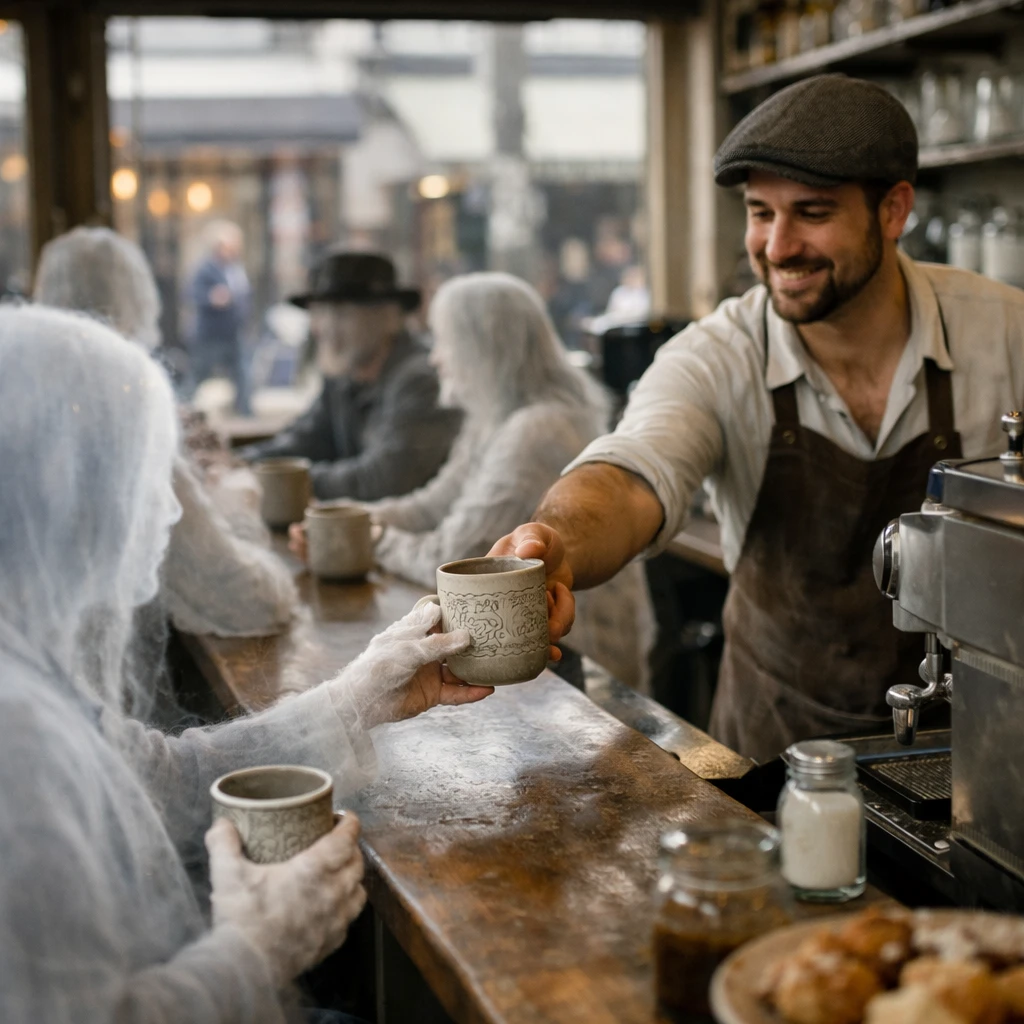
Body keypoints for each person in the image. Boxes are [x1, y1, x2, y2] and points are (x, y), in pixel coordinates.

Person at [490, 74, 1024, 762]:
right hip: (780, 754)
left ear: (893, 212)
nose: (776, 247)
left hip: (976, 749)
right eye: (760, 212)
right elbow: (630, 473)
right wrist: (554, 542)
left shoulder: (1003, 332)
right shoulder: (721, 353)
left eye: (812, 211)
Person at [0, 304, 492, 1022]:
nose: (168, 517)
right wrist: (257, 953)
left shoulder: (29, 662)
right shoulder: (16, 731)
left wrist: (354, 699)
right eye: (144, 483)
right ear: (67, 498)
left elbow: (165, 779)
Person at [292, 273, 655, 690]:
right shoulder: (493, 419)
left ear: (484, 347)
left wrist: (367, 540)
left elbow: (454, 557)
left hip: (584, 669)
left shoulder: (537, 430)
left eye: (444, 342)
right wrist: (342, 521)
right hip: (533, 655)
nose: (434, 358)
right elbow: (431, 504)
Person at [34, 226, 296, 647]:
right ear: (134, 305)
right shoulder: (120, 418)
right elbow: (253, 599)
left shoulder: (32, 401)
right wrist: (237, 499)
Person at [242, 250, 461, 502]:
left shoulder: (420, 380)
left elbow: (384, 479)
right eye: (319, 312)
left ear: (390, 318)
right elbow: (307, 437)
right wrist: (241, 462)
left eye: (342, 313)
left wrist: (273, 477)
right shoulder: (344, 374)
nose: (323, 327)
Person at [188, 220, 252, 416]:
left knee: (242, 374)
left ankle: (245, 412)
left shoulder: (235, 268)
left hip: (233, 331)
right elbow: (191, 294)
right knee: (200, 374)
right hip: (211, 334)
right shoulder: (205, 269)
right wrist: (212, 297)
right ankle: (183, 406)